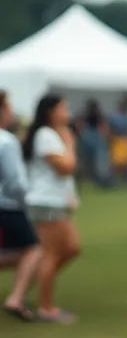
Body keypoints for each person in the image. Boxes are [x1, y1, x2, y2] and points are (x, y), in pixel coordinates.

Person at [22, 94, 81, 323]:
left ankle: (30, 288)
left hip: (54, 202)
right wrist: (69, 143)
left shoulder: (52, 134)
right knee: (51, 253)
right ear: (50, 112)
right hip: (46, 202)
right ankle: (46, 308)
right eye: (63, 108)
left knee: (71, 248)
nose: (67, 113)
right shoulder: (47, 135)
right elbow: (66, 167)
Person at [0, 90, 42, 321]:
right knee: (33, 250)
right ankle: (16, 298)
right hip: (7, 205)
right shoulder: (6, 141)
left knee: (22, 251)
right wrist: (24, 196)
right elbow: (14, 181)